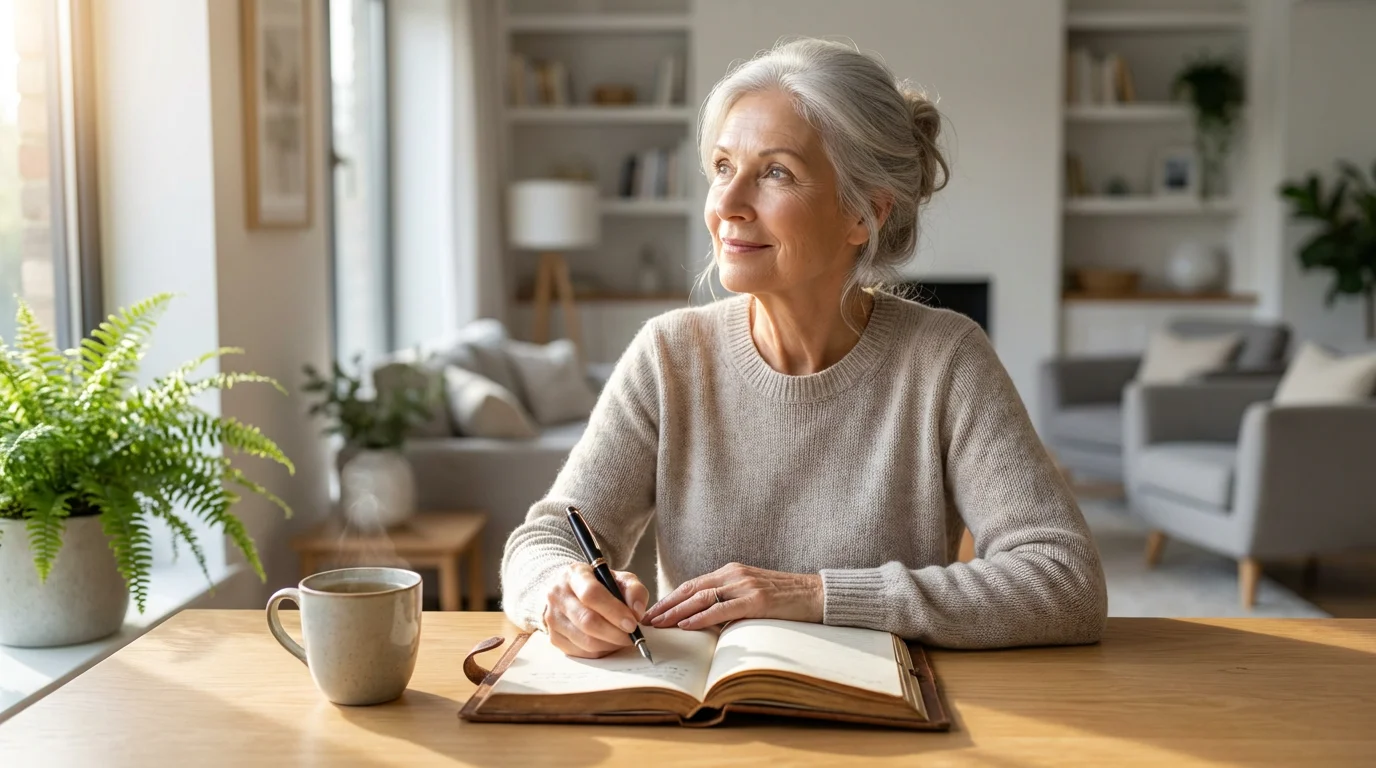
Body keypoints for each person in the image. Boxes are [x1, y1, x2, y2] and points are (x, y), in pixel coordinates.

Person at [500, 37, 1107, 658]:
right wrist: (561, 591)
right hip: (707, 726)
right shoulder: (669, 357)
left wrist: (815, 596)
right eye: (722, 168)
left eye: (775, 173)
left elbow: (1064, 579)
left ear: (863, 214)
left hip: (887, 730)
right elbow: (547, 538)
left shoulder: (945, 359)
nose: (727, 207)